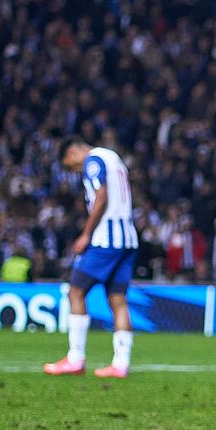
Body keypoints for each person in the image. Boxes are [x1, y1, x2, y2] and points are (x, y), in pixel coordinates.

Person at [44, 136, 139, 378]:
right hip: (127, 238)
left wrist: (85, 234)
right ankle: (121, 364)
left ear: (73, 152)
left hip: (105, 240)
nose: (75, 170)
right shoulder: (113, 157)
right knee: (118, 299)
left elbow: (101, 196)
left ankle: (75, 359)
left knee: (75, 291)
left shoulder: (93, 160)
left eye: (71, 165)